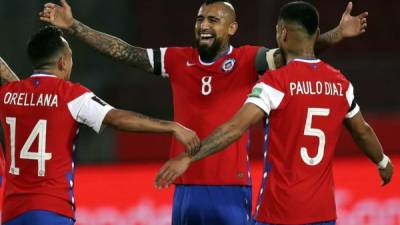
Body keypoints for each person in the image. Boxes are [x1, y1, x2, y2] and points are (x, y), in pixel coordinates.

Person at [39, 0, 368, 224]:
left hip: (231, 186)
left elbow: (297, 52)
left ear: (232, 28)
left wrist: (337, 34)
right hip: (185, 185)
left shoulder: (248, 60)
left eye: (213, 19)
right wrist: (74, 26)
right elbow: (125, 52)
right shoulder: (177, 59)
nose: (204, 25)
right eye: (200, 19)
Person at [154, 1, 394, 225]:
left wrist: (189, 157)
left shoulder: (274, 83)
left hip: (278, 211)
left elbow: (234, 128)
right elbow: (362, 131)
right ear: (316, 33)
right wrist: (382, 161)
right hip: (322, 212)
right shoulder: (341, 84)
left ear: (283, 33)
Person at [0, 26, 200, 225]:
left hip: (12, 212)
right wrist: (172, 127)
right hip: (52, 209)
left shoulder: (8, 94)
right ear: (62, 62)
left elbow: (23, 91)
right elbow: (118, 118)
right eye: (70, 57)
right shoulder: (71, 95)